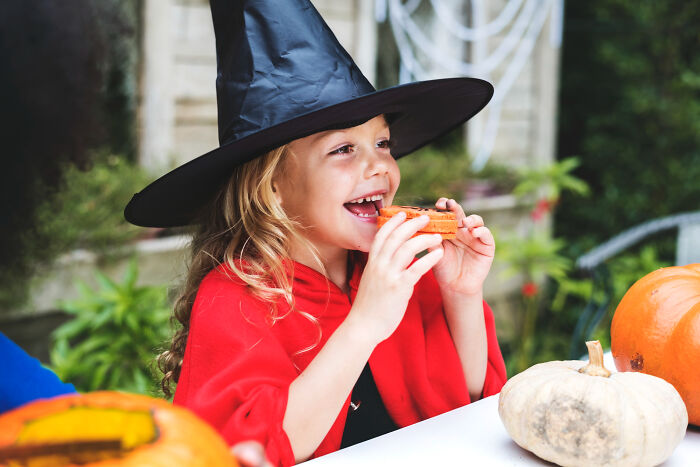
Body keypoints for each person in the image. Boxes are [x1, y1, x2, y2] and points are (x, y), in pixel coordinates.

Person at [124, 0, 507, 465]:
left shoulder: (399, 271)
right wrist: (366, 323)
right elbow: (256, 450)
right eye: (343, 149)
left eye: (383, 143)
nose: (379, 166)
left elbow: (465, 401)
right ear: (274, 189)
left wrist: (460, 295)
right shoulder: (237, 298)